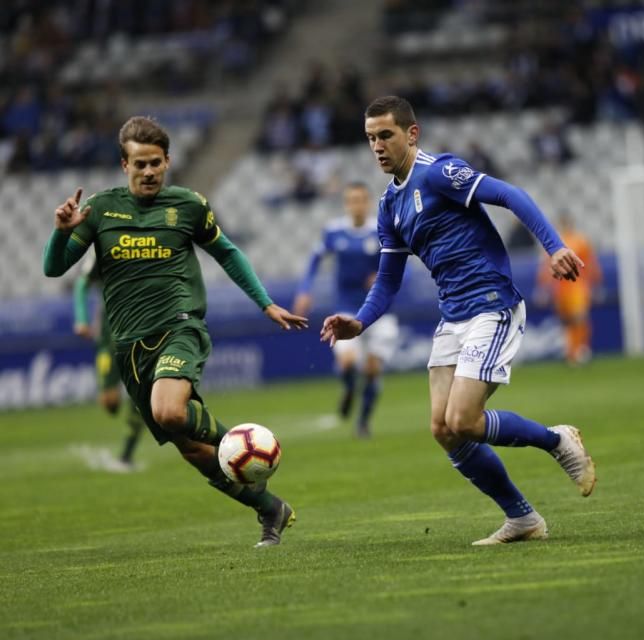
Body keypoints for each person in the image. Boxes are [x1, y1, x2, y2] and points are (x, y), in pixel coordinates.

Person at [320, 96, 596, 546]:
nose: (377, 146)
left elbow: (509, 195)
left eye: (385, 135)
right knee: (443, 429)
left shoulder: (438, 172)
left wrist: (554, 246)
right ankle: (522, 519)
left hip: (492, 304)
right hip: (453, 317)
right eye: (370, 138)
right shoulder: (390, 207)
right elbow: (388, 279)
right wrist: (360, 322)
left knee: (464, 419)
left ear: (412, 134)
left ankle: (556, 440)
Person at [43, 116, 307, 547]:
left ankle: (245, 442)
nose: (148, 172)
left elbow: (227, 252)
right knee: (193, 451)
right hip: (128, 347)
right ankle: (269, 508)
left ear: (167, 161)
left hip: (179, 327)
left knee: (169, 413)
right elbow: (54, 268)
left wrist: (265, 302)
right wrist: (60, 234)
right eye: (139, 164)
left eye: (155, 163)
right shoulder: (99, 211)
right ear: (123, 165)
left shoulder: (188, 206)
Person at [293, 182, 399, 438]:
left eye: (361, 199)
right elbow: (314, 260)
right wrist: (305, 290)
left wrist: (380, 275)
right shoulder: (334, 231)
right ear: (346, 204)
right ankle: (350, 389)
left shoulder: (381, 229)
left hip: (377, 312)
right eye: (352, 200)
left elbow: (399, 266)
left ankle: (362, 422)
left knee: (372, 370)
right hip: (346, 310)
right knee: (348, 363)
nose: (357, 205)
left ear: (368, 202)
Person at [73, 251, 146, 472]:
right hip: (108, 339)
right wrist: (82, 318)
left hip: (142, 335)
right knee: (110, 403)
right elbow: (81, 284)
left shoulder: (148, 246)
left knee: (140, 401)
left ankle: (126, 455)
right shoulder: (103, 248)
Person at [535, 214, 602, 365]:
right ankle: (571, 352)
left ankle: (581, 350)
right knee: (566, 321)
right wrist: (544, 288)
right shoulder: (554, 243)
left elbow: (590, 264)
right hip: (561, 287)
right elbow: (546, 267)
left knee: (579, 317)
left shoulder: (580, 241)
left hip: (577, 286)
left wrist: (595, 285)